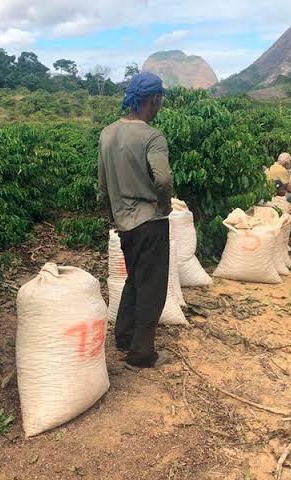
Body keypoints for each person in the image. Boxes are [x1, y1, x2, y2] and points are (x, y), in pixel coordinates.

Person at [98, 72, 172, 370]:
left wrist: (113, 215)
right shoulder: (152, 136)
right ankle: (142, 355)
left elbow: (103, 184)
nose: (159, 106)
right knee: (152, 287)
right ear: (153, 100)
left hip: (124, 222)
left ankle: (124, 336)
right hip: (149, 222)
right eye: (159, 101)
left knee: (134, 280)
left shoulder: (107, 133)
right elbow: (163, 178)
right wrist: (163, 205)